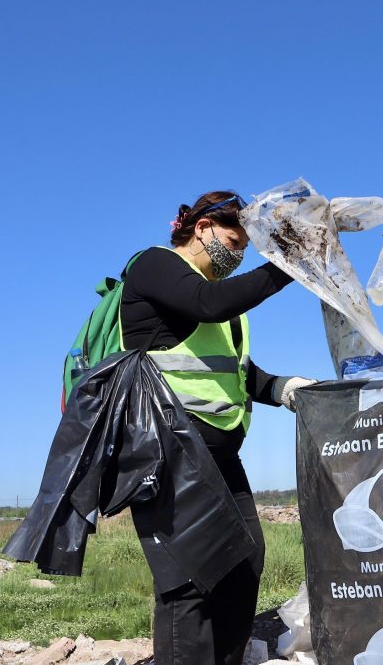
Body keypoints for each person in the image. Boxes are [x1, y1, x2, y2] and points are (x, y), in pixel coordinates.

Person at [121, 190, 316, 665]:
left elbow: (234, 373)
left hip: (217, 454)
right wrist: (290, 265)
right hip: (169, 448)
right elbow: (209, 304)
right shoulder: (156, 266)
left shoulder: (224, 311)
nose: (239, 253)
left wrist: (283, 388)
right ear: (202, 227)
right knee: (188, 579)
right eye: (234, 240)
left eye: (247, 248)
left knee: (243, 561)